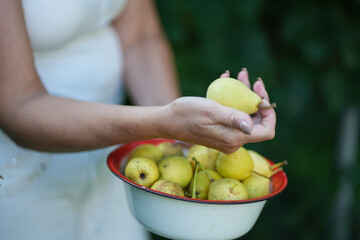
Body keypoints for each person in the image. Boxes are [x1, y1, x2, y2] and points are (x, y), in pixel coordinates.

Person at [0, 0, 276, 240]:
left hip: (116, 170)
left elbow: (140, 35)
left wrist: (180, 140)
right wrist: (163, 121)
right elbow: (17, 104)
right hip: (30, 180)